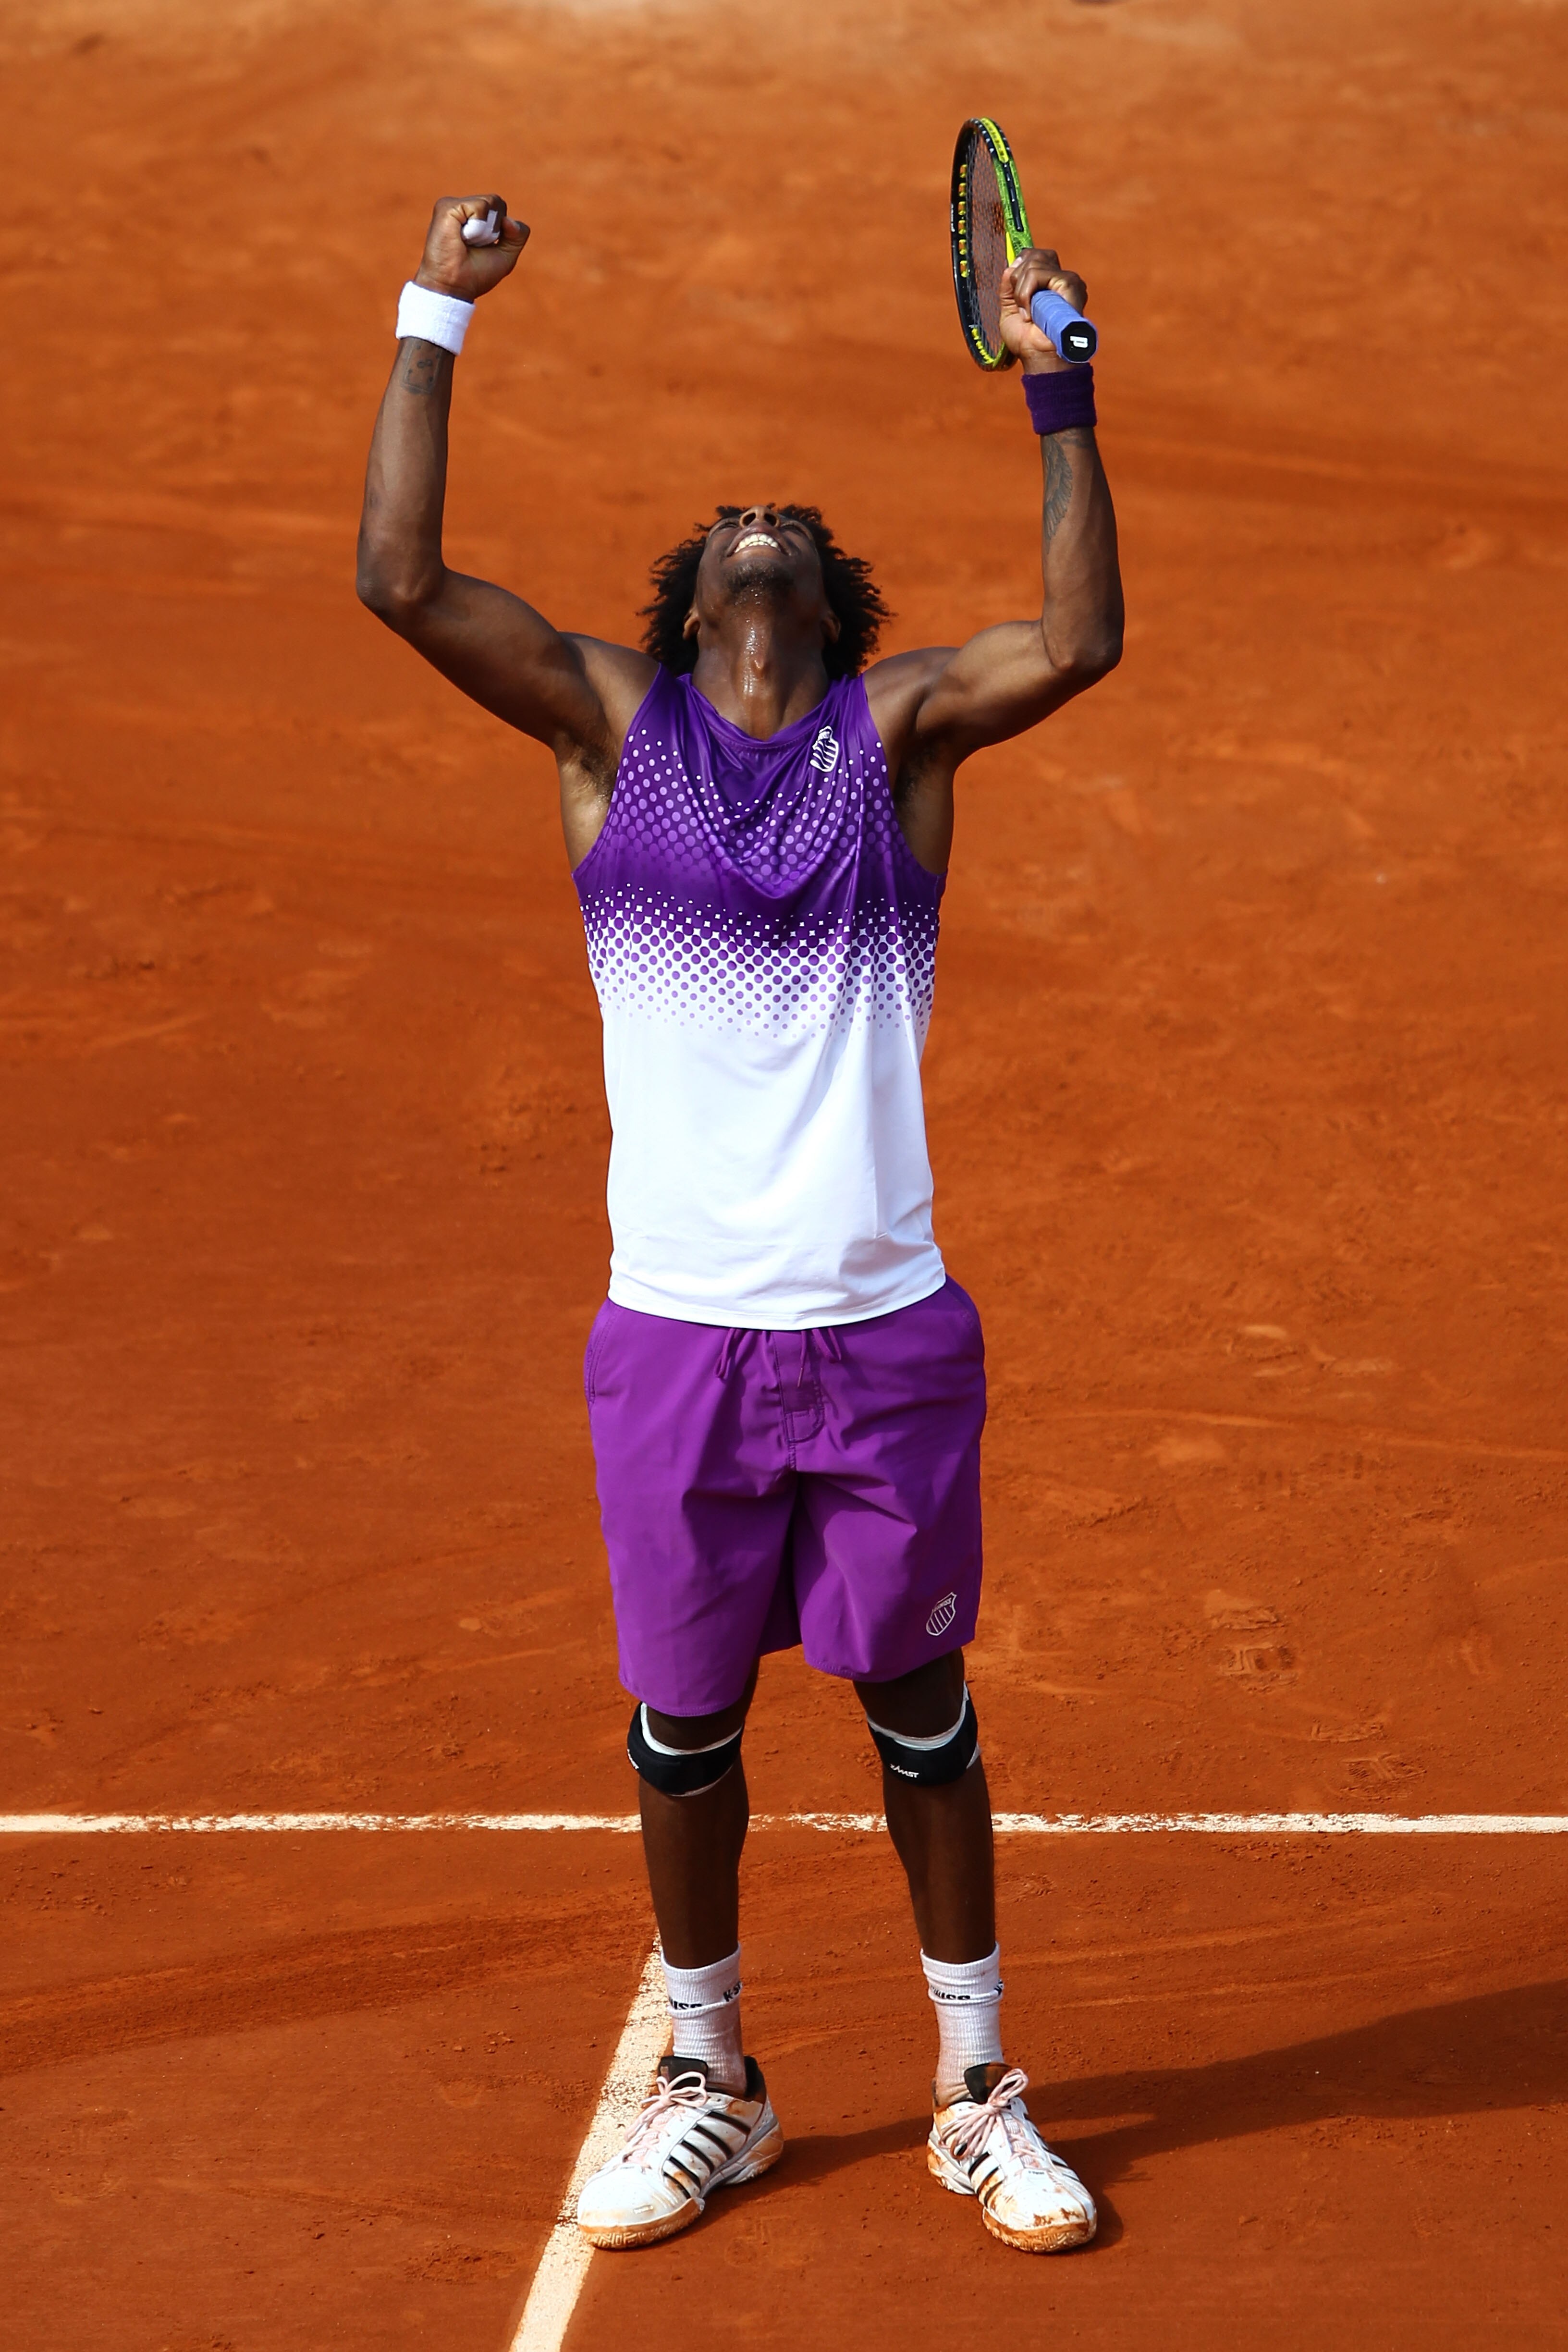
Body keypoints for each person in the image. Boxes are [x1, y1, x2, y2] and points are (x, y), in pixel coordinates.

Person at [357, 192, 1123, 2257]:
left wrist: (1061, 381)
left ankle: (975, 2089)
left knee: (922, 1719)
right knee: (685, 1732)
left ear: (821, 603)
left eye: (788, 520)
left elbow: (1079, 641)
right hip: (677, 1338)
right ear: (695, 603)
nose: (758, 517)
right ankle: (714, 2072)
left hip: (884, 1333)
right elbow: (401, 578)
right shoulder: (615, 736)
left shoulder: (901, 742)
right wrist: (439, 307)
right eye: (730, 525)